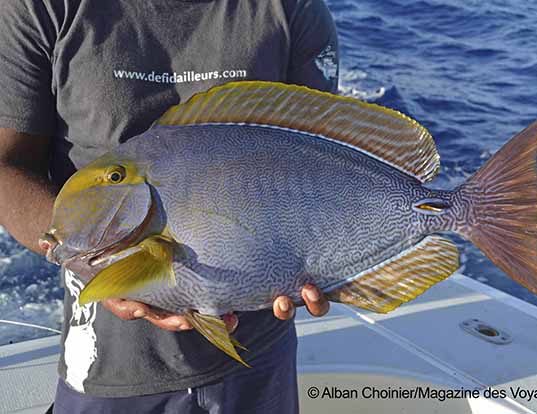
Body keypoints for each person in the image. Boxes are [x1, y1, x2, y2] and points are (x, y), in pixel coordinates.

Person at [0, 0, 339, 412]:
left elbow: (323, 161)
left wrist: (338, 266)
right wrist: (86, 261)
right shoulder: (44, 7)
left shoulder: (292, 7)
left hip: (260, 351)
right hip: (108, 364)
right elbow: (7, 165)